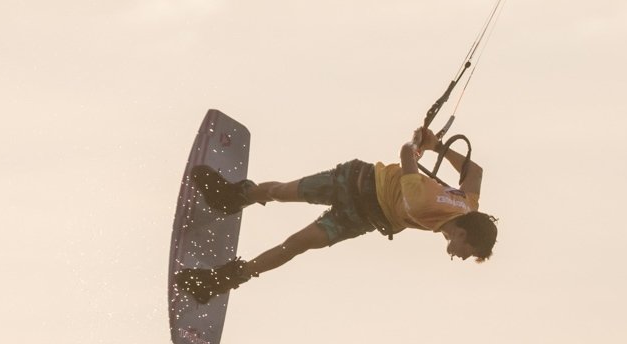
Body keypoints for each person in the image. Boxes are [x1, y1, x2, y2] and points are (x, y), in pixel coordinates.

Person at [177, 124, 498, 303]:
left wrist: (434, 145)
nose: (459, 256)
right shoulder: (423, 205)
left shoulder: (469, 205)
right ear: (462, 234)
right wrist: (418, 145)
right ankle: (233, 198)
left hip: (363, 218)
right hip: (356, 182)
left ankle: (223, 279)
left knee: (297, 244)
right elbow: (404, 155)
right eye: (466, 252)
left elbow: (476, 172)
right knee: (284, 192)